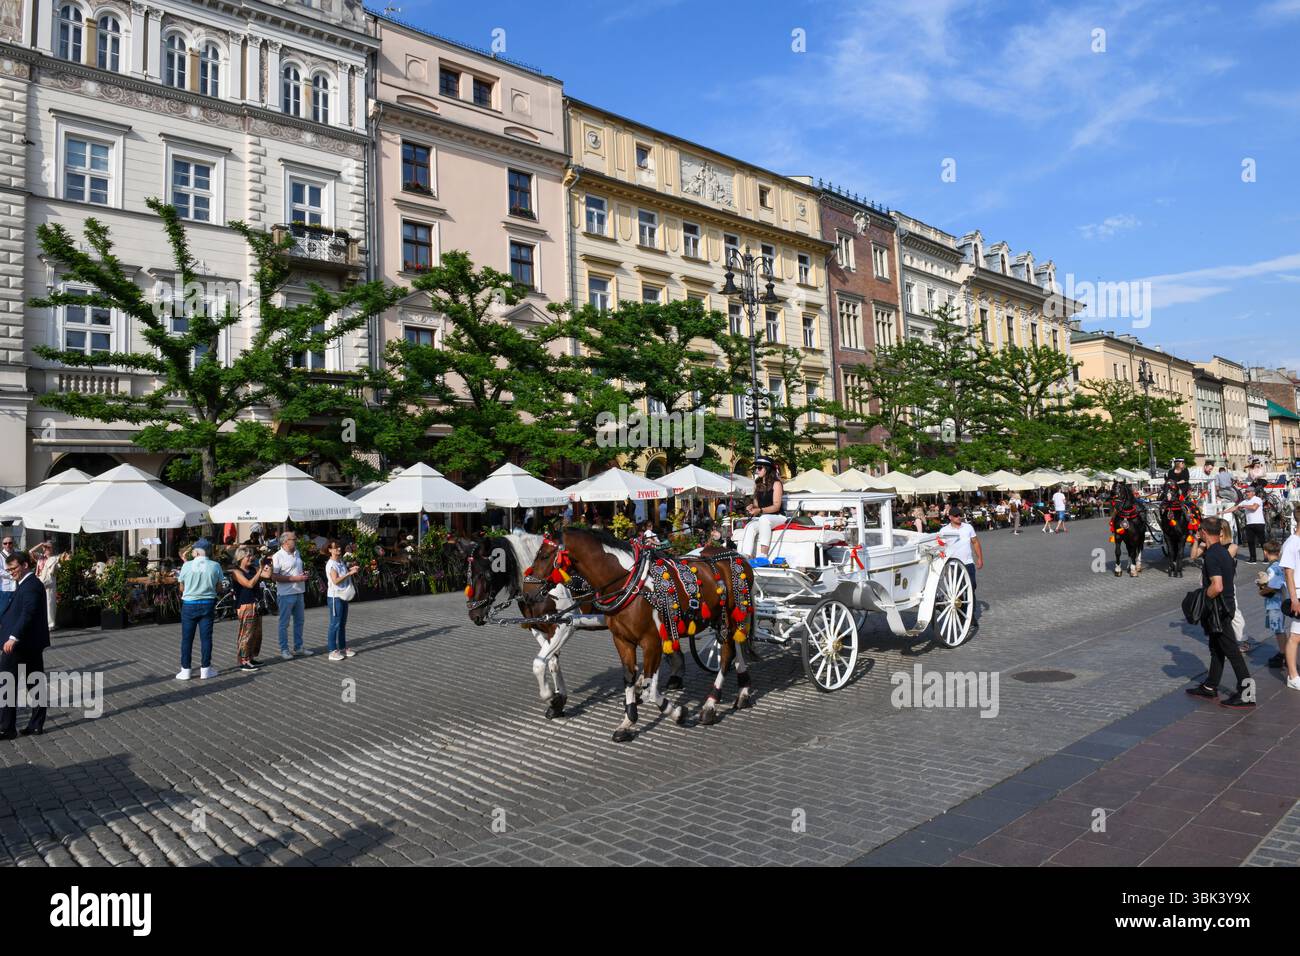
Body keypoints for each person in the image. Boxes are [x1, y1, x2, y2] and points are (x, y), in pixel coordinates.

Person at [1185, 517, 1254, 708]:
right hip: (1224, 607)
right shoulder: (1221, 552)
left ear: (1204, 533)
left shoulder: (1213, 555)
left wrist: (1200, 598)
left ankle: (1247, 693)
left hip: (1219, 609)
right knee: (1216, 648)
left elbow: (1217, 586)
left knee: (1232, 652)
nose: (1198, 533)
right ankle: (1210, 686)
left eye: (1199, 531)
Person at [0, 550, 50, 738]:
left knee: (6, 683)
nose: (11, 572)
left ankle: (7, 728)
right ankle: (36, 724)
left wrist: (13, 637)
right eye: (9, 569)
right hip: (29, 644)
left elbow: (28, 613)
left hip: (19, 644)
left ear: (25, 565)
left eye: (13, 568)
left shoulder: (30, 585)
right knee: (35, 684)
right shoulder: (27, 583)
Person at [175, 538, 226, 680]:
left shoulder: (186, 566)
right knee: (206, 638)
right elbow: (219, 587)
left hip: (189, 604)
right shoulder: (215, 565)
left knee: (187, 639)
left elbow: (181, 587)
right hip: (208, 603)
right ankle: (205, 669)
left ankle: (185, 670)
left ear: (197, 551)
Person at [936, 507, 984, 630]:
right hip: (953, 565)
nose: (959, 517)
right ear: (950, 517)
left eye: (960, 515)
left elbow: (975, 542)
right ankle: (962, 615)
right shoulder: (944, 530)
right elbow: (940, 547)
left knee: (971, 587)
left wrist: (979, 558)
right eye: (956, 515)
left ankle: (970, 614)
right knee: (957, 592)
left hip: (968, 563)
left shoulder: (968, 527)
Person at [230, 547, 271, 672]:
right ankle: (243, 660)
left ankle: (250, 657)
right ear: (240, 558)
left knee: (256, 634)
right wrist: (259, 571)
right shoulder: (236, 572)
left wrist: (268, 564)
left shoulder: (253, 569)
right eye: (248, 556)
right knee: (246, 634)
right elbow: (249, 584)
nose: (251, 558)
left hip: (256, 604)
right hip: (245, 605)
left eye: (251, 556)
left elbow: (268, 575)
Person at [271, 531, 311, 659]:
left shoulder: (297, 552)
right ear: (285, 541)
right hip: (285, 594)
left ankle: (298, 647)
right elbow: (274, 576)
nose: (296, 540)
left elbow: (296, 570)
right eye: (293, 539)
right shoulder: (277, 556)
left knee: (299, 621)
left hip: (299, 592)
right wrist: (295, 578)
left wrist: (303, 574)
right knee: (284, 623)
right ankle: (284, 649)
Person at [739, 456, 785, 558]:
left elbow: (776, 506)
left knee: (764, 519)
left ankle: (763, 555)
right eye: (756, 468)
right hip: (765, 518)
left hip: (778, 517)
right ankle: (746, 556)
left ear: (767, 469)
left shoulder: (776, 484)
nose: (756, 470)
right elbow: (756, 505)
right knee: (750, 526)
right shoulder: (757, 484)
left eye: (759, 468)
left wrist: (759, 510)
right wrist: (752, 506)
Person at [325, 540, 359, 662]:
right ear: (329, 550)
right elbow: (335, 581)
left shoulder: (340, 562)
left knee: (342, 624)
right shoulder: (331, 564)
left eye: (339, 547)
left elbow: (343, 575)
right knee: (335, 624)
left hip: (343, 595)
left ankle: (343, 647)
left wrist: (351, 569)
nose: (338, 549)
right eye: (335, 548)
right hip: (335, 597)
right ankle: (332, 650)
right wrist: (350, 573)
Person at [1278, 507, 1300, 691]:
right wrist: (1294, 599)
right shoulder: (1292, 543)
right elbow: (1288, 573)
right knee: (1295, 635)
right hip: (1299, 593)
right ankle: (1293, 675)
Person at [1225, 486, 1266, 564]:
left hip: (1259, 523)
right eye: (1246, 492)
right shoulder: (1245, 501)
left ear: (1253, 493)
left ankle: (1266, 558)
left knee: (1262, 542)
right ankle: (1253, 558)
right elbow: (1235, 508)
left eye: (1248, 492)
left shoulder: (1257, 499)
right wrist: (1223, 512)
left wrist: (1244, 506)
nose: (1247, 493)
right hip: (1249, 523)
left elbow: (1254, 507)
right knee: (1250, 542)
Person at [0, 533, 16, 620]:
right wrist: (12, 575)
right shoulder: (0, 556)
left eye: (10, 543)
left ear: (13, 543)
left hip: (17, 586)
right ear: (2, 545)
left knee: (15, 610)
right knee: (3, 610)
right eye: (5, 543)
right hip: (5, 588)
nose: (8, 545)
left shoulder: (17, 554)